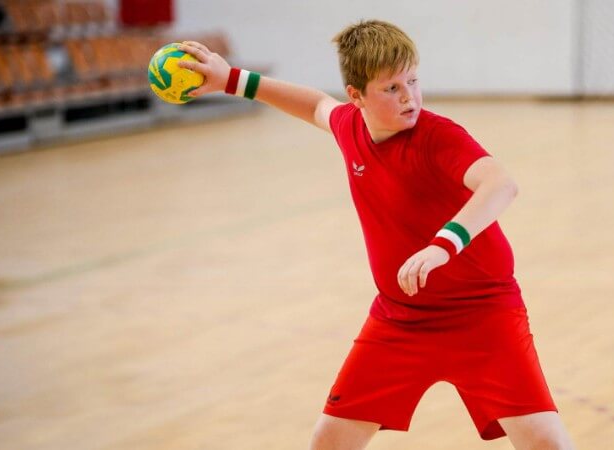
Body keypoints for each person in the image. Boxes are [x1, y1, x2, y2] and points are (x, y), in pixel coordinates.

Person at [177, 19, 575, 450]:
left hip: (484, 315)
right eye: (392, 88)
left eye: (413, 81)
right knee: (329, 441)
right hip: (400, 319)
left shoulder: (439, 136)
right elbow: (316, 105)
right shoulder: (350, 126)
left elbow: (500, 184)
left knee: (545, 443)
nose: (409, 97)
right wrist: (232, 80)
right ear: (356, 96)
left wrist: (443, 245)